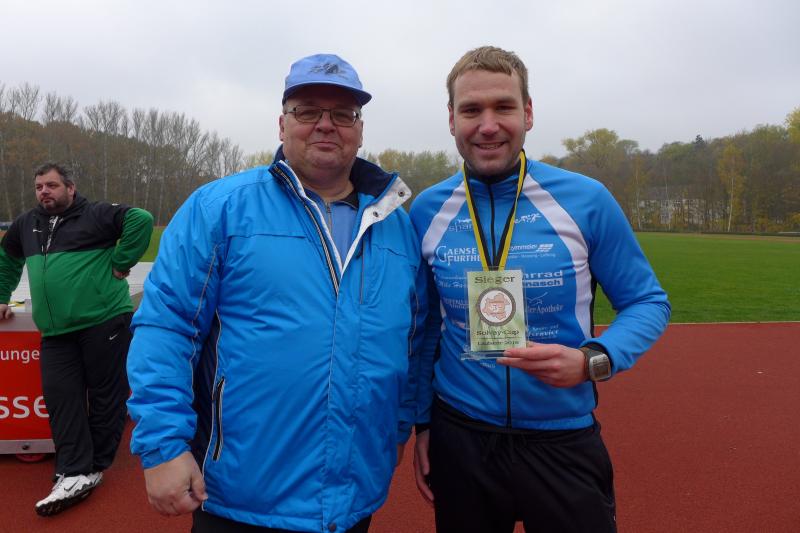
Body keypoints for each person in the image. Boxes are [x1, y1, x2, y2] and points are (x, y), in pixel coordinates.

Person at [126, 53, 424, 533]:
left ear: (359, 129)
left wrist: (398, 426)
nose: (326, 124)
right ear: (282, 124)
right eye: (308, 111)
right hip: (241, 495)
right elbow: (167, 326)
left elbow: (411, 339)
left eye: (342, 113)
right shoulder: (219, 208)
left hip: (353, 495)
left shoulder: (396, 226)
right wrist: (163, 445)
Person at [409, 46, 671, 533]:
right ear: (451, 120)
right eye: (471, 110)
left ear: (528, 113)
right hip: (460, 436)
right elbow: (425, 330)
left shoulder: (586, 200)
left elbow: (647, 301)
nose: (488, 125)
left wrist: (593, 360)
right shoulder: (427, 210)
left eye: (504, 107)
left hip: (561, 439)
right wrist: (422, 423)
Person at [0, 162, 154, 516]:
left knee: (105, 397)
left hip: (104, 319)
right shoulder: (26, 223)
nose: (44, 191)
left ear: (70, 188)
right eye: (39, 186)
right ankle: (75, 469)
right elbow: (7, 259)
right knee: (61, 399)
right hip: (56, 331)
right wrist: (1, 295)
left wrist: (122, 261)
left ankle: (92, 466)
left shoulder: (96, 214)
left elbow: (142, 219)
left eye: (51, 185)